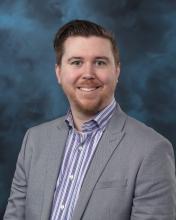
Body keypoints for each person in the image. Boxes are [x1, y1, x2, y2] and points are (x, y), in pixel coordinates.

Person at [4, 19, 176, 220]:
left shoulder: (152, 149)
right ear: (59, 72)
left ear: (117, 71)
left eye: (100, 62)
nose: (88, 74)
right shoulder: (34, 140)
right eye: (76, 62)